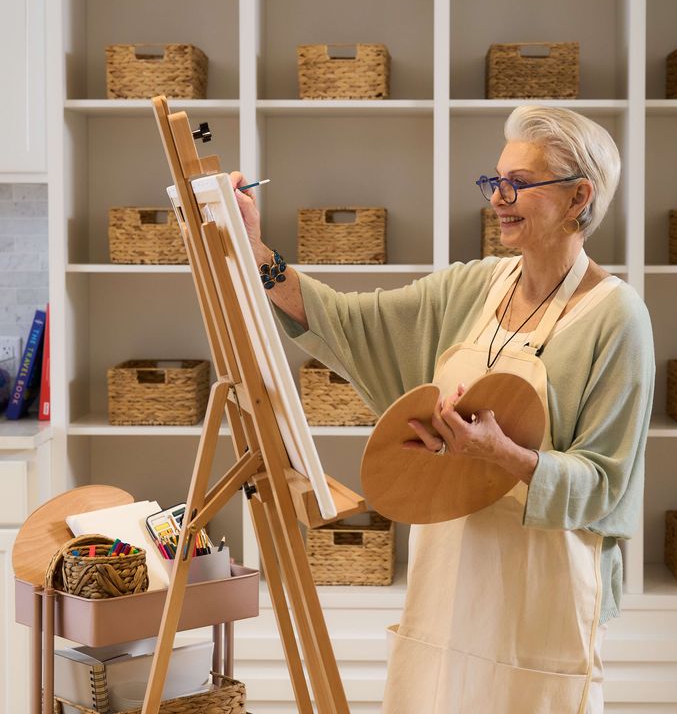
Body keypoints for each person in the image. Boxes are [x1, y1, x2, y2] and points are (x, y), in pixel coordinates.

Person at [231, 105, 655, 714]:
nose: (499, 199)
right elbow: (349, 323)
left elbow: (606, 484)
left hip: (545, 590)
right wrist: (254, 251)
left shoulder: (618, 318)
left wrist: (502, 455)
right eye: (495, 181)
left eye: (519, 184)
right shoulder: (475, 287)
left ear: (577, 197)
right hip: (450, 577)